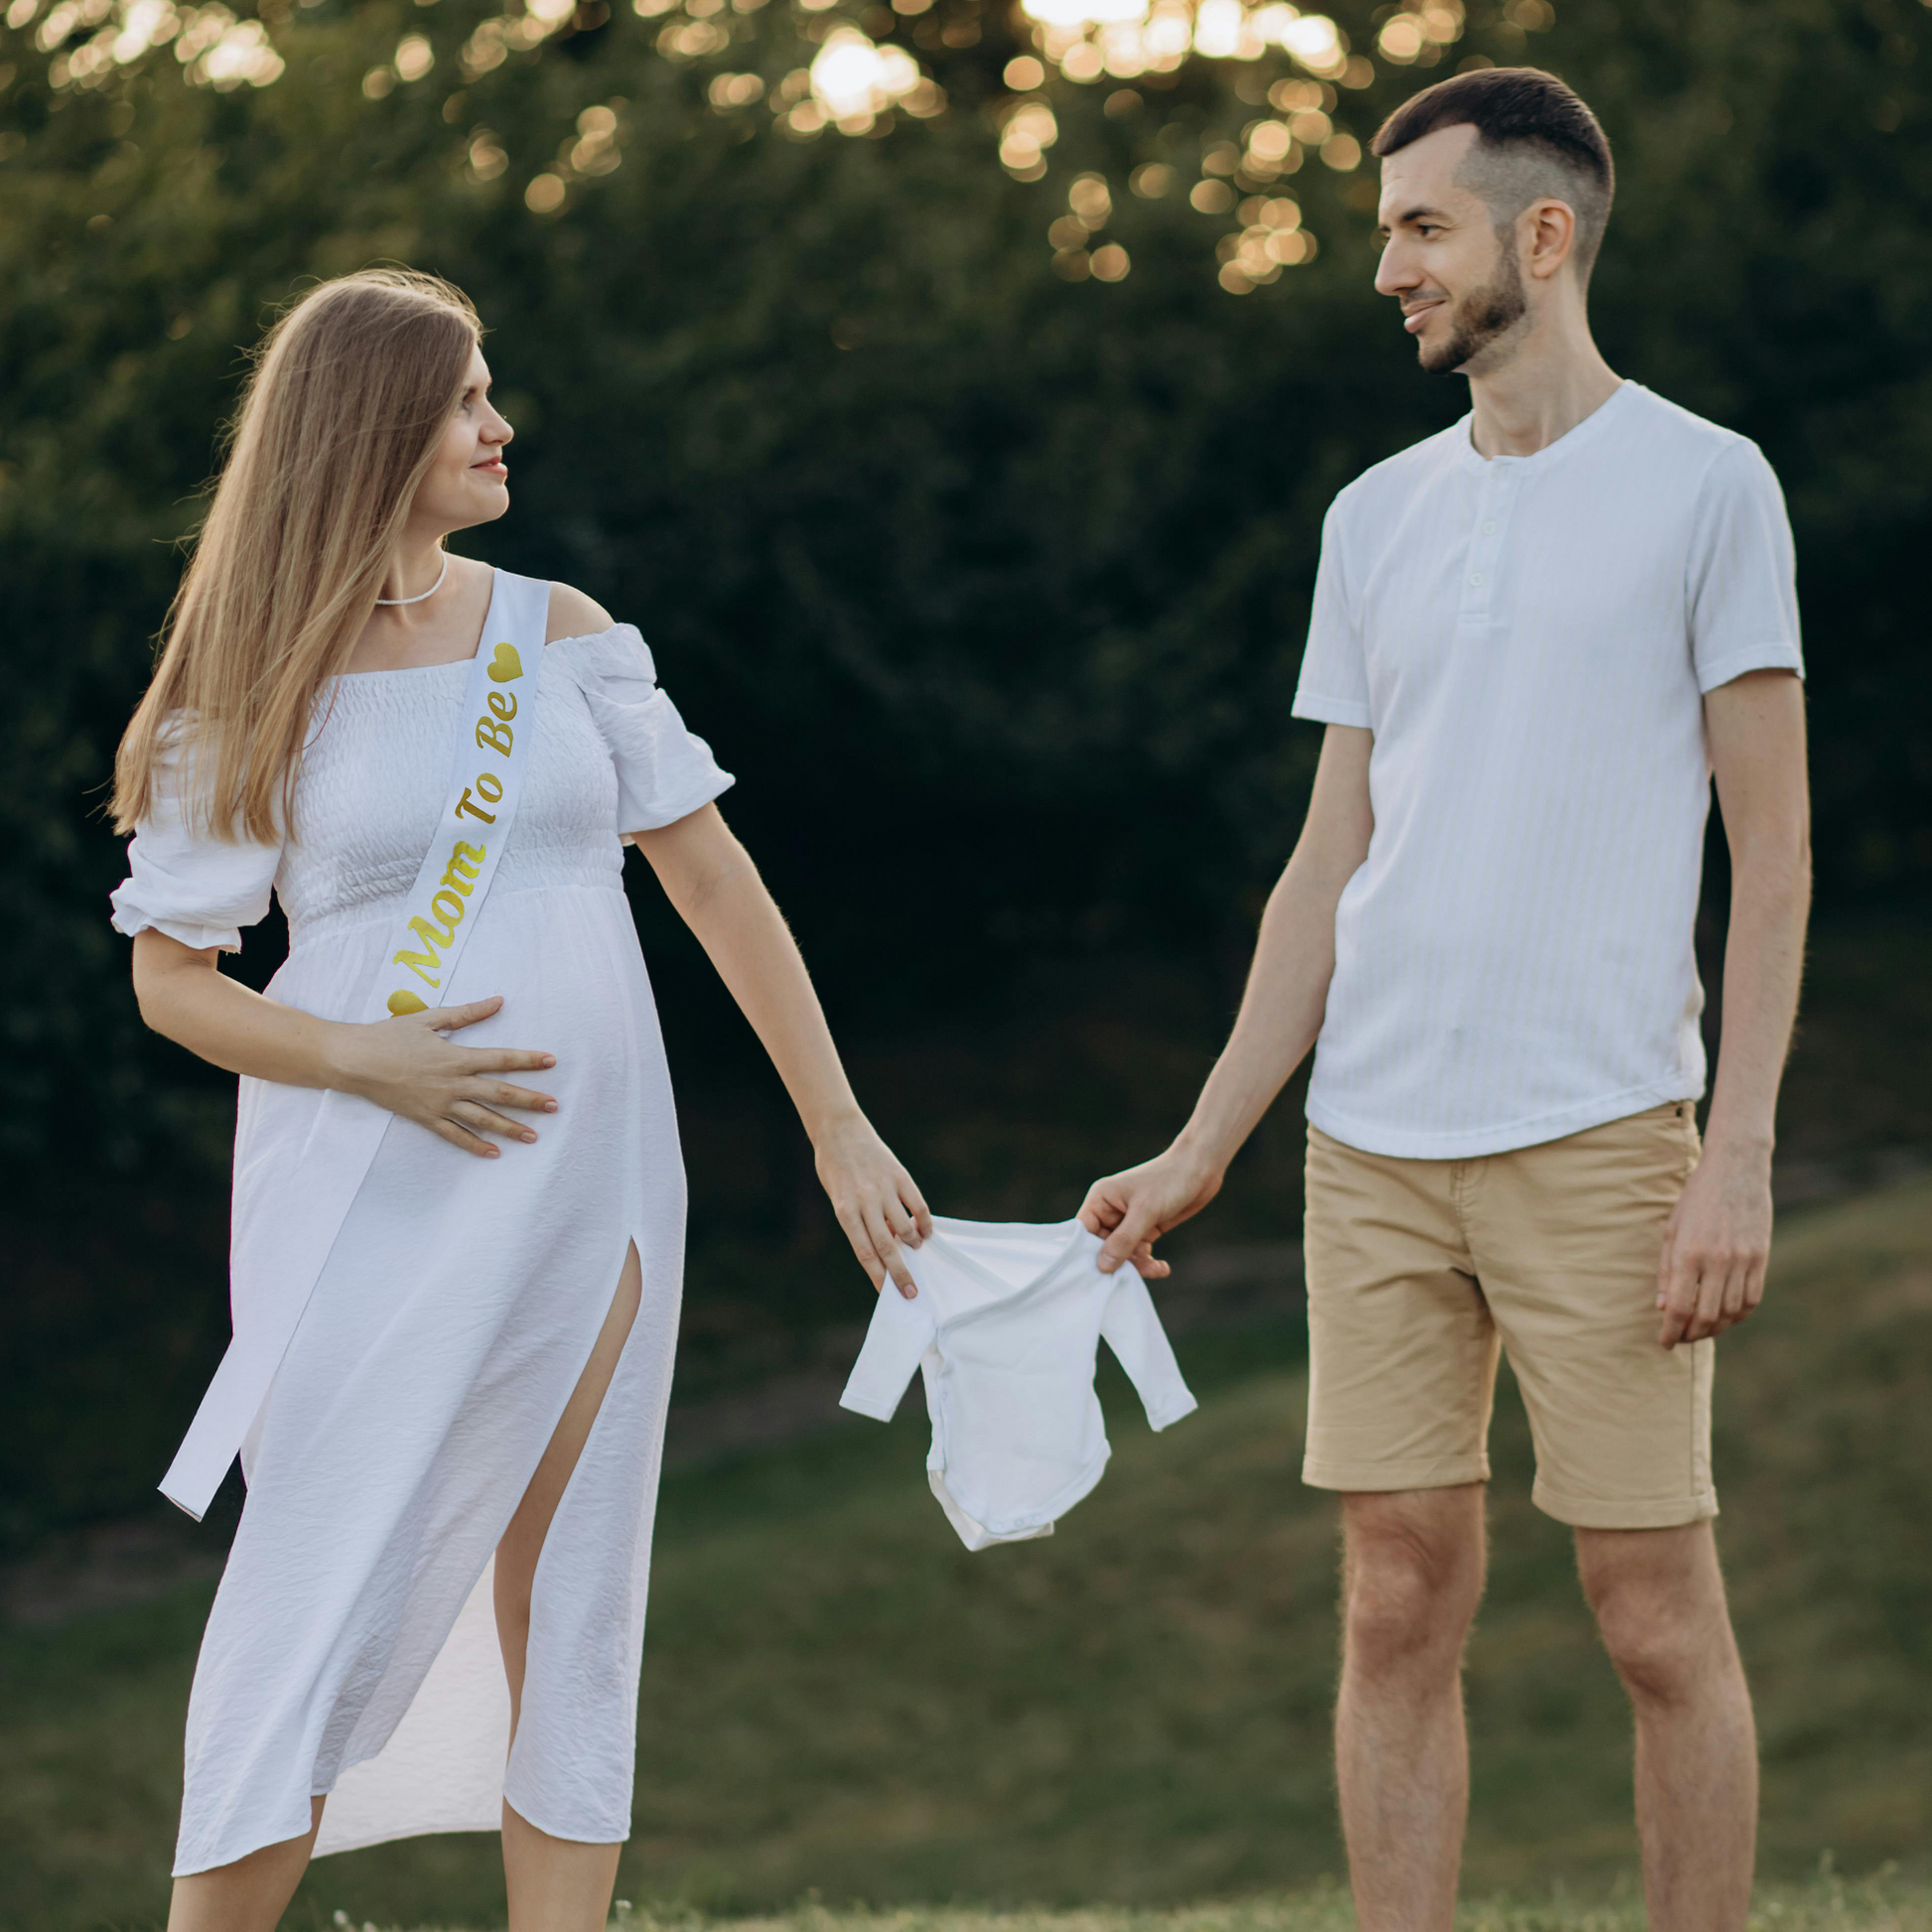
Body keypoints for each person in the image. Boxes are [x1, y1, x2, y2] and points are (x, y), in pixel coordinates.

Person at [108, 268, 930, 1932]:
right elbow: (173, 975)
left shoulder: (557, 633)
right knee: (318, 1584)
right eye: (469, 397)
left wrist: (838, 1120)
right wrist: (369, 1059)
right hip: (365, 1193)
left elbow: (709, 879)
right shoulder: (253, 671)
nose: (499, 424)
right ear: (371, 427)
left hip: (596, 1183)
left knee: (569, 1585)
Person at [1078, 68, 1809, 1932]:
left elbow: (1775, 854)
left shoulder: (1708, 484)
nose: (1384, 267)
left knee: (1653, 1616)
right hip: (1372, 1145)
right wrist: (1198, 1141)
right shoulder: (1370, 517)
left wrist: (1733, 1157)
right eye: (1384, 230)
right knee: (1395, 1595)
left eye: (1418, 227)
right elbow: (1327, 861)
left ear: (1538, 236)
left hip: (1601, 1137)